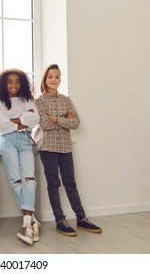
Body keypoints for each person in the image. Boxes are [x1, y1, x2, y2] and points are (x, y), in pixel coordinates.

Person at [34, 64, 102, 237]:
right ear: (45, 79)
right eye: (50, 76)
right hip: (47, 146)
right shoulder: (39, 101)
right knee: (53, 184)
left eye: (57, 76)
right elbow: (44, 124)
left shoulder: (66, 100)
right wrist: (64, 119)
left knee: (70, 183)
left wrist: (56, 118)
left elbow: (76, 123)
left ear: (60, 80)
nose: (54, 79)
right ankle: (60, 220)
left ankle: (81, 218)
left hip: (65, 146)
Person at [0, 68, 41, 246]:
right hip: (8, 142)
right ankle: (32, 221)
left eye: (17, 81)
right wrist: (22, 119)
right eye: (9, 82)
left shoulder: (29, 100)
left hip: (26, 140)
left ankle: (26, 223)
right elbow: (2, 126)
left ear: (22, 84)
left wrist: (15, 120)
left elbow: (35, 119)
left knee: (29, 178)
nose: (13, 85)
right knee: (15, 180)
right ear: (4, 84)